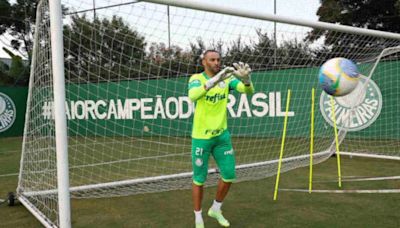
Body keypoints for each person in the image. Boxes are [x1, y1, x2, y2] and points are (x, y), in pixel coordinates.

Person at [188, 50, 254, 228]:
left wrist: (246, 81)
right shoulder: (196, 78)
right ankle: (198, 216)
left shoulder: (226, 79)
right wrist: (213, 81)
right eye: (212, 60)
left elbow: (247, 91)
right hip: (201, 138)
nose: (217, 62)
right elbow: (193, 95)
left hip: (222, 136)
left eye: (218, 59)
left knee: (229, 174)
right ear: (204, 62)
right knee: (199, 179)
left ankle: (216, 208)